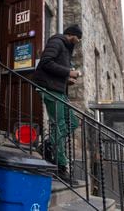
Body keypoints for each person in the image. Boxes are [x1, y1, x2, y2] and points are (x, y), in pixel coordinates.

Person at [33, 24, 82, 183]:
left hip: (58, 89)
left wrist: (67, 80)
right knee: (59, 124)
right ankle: (60, 165)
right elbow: (46, 63)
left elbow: (56, 70)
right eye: (78, 38)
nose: (79, 41)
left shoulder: (66, 49)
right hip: (49, 88)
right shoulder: (57, 41)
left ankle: (47, 145)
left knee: (72, 122)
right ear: (72, 35)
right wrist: (69, 72)